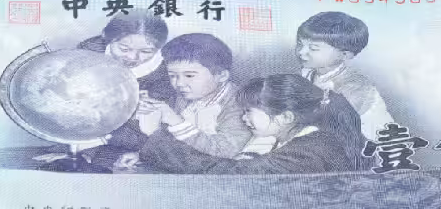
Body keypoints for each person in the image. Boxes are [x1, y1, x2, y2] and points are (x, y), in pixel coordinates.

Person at [136, 74, 367, 174]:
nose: (243, 118)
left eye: (249, 111)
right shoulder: (308, 140)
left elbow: (228, 174)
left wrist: (155, 136)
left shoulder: (307, 152)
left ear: (286, 117)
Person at [34, 10, 172, 166]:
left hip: (132, 137)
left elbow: (154, 124)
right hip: (90, 123)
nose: (133, 57)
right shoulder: (89, 50)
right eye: (124, 49)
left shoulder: (165, 70)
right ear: (108, 38)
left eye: (146, 51)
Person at [127, 33, 252, 161]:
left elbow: (225, 151)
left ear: (221, 76)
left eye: (189, 76)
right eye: (173, 76)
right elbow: (174, 143)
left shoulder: (241, 104)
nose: (179, 83)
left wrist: (176, 121)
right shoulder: (185, 96)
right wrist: (144, 154)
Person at [295, 11, 394, 139]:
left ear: (345, 54)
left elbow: (330, 128)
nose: (302, 52)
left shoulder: (355, 87)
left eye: (313, 48)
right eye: (300, 44)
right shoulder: (307, 74)